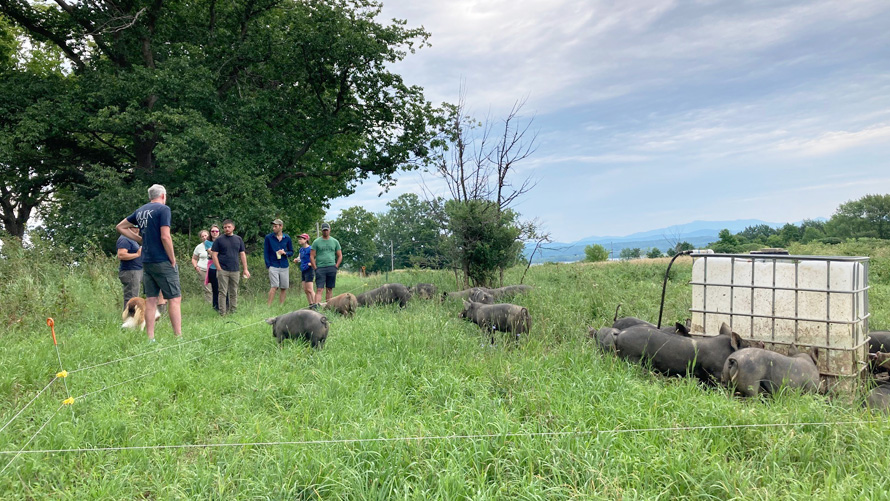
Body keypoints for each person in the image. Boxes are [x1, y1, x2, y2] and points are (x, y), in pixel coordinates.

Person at [115, 184, 182, 341]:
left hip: (146, 261)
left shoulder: (141, 211)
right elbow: (165, 236)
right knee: (174, 298)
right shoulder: (163, 210)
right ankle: (178, 338)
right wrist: (172, 258)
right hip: (162, 259)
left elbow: (120, 227)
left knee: (151, 300)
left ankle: (150, 338)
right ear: (163, 196)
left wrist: (140, 239)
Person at [211, 219, 250, 315]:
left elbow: (242, 254)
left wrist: (245, 269)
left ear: (233, 227)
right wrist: (218, 268)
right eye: (225, 227)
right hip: (223, 269)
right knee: (222, 292)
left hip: (235, 269)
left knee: (234, 291)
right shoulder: (219, 239)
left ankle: (233, 311)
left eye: (229, 227)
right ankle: (222, 313)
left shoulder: (238, 239)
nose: (227, 229)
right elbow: (214, 255)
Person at [264, 219, 294, 306]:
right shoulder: (268, 238)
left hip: (284, 265)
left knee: (284, 287)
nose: (273, 228)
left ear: (281, 226)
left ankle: (281, 306)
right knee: (274, 286)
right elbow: (266, 252)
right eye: (273, 226)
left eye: (275, 226)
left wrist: (285, 253)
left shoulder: (287, 238)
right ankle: (268, 306)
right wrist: (268, 265)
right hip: (273, 265)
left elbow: (291, 251)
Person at [311, 222, 342, 306]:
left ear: (329, 230)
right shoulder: (316, 242)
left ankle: (328, 306)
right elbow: (312, 256)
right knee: (319, 289)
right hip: (320, 268)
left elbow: (340, 255)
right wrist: (315, 268)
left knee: (329, 289)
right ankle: (316, 306)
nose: (325, 232)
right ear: (321, 231)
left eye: (327, 230)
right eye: (324, 230)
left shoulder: (335, 241)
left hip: (331, 267)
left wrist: (336, 266)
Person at [116, 227, 143, 310]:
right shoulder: (124, 239)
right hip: (130, 271)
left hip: (136, 271)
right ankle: (129, 319)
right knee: (132, 298)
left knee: (134, 297)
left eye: (138, 228)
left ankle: (133, 318)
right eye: (134, 228)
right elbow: (121, 255)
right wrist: (137, 255)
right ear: (128, 228)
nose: (137, 230)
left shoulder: (131, 239)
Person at [293, 233, 315, 307]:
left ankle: (316, 305)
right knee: (305, 290)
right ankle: (311, 305)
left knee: (310, 289)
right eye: (299, 239)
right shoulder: (301, 249)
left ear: (306, 240)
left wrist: (311, 263)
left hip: (309, 270)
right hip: (303, 269)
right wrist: (297, 260)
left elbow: (316, 257)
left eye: (301, 239)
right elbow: (300, 258)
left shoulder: (311, 248)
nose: (299, 240)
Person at [191, 230, 213, 303]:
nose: (204, 237)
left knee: (217, 287)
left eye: (205, 235)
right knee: (208, 289)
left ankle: (217, 304)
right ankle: (209, 304)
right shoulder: (199, 247)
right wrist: (196, 267)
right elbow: (194, 258)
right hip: (203, 270)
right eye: (202, 236)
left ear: (209, 235)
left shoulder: (214, 244)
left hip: (214, 269)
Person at [207, 225, 221, 311]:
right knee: (215, 288)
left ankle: (225, 306)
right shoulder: (208, 242)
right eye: (213, 231)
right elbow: (212, 253)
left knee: (223, 288)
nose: (215, 233)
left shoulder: (223, 240)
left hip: (223, 267)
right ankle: (216, 307)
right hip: (213, 268)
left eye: (216, 231)